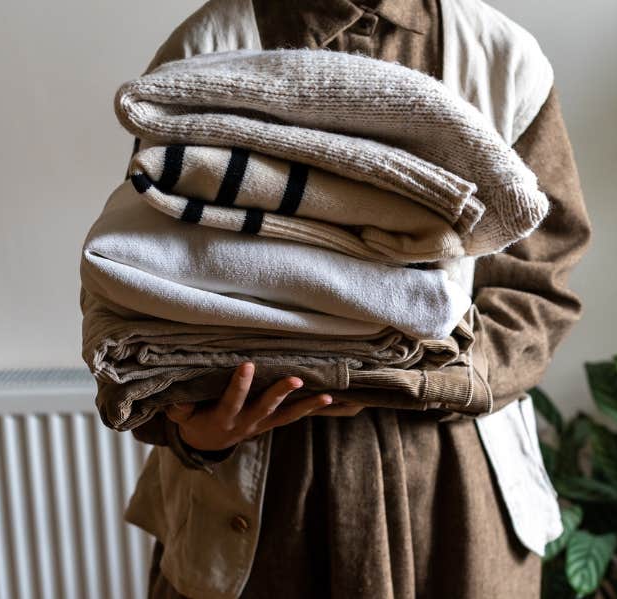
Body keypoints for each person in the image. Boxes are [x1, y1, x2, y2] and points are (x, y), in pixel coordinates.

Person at [124, 1, 592, 597]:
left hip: (451, 494)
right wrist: (195, 427)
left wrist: (430, 378)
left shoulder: (503, 58)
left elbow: (536, 286)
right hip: (266, 496)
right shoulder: (208, 46)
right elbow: (148, 279)